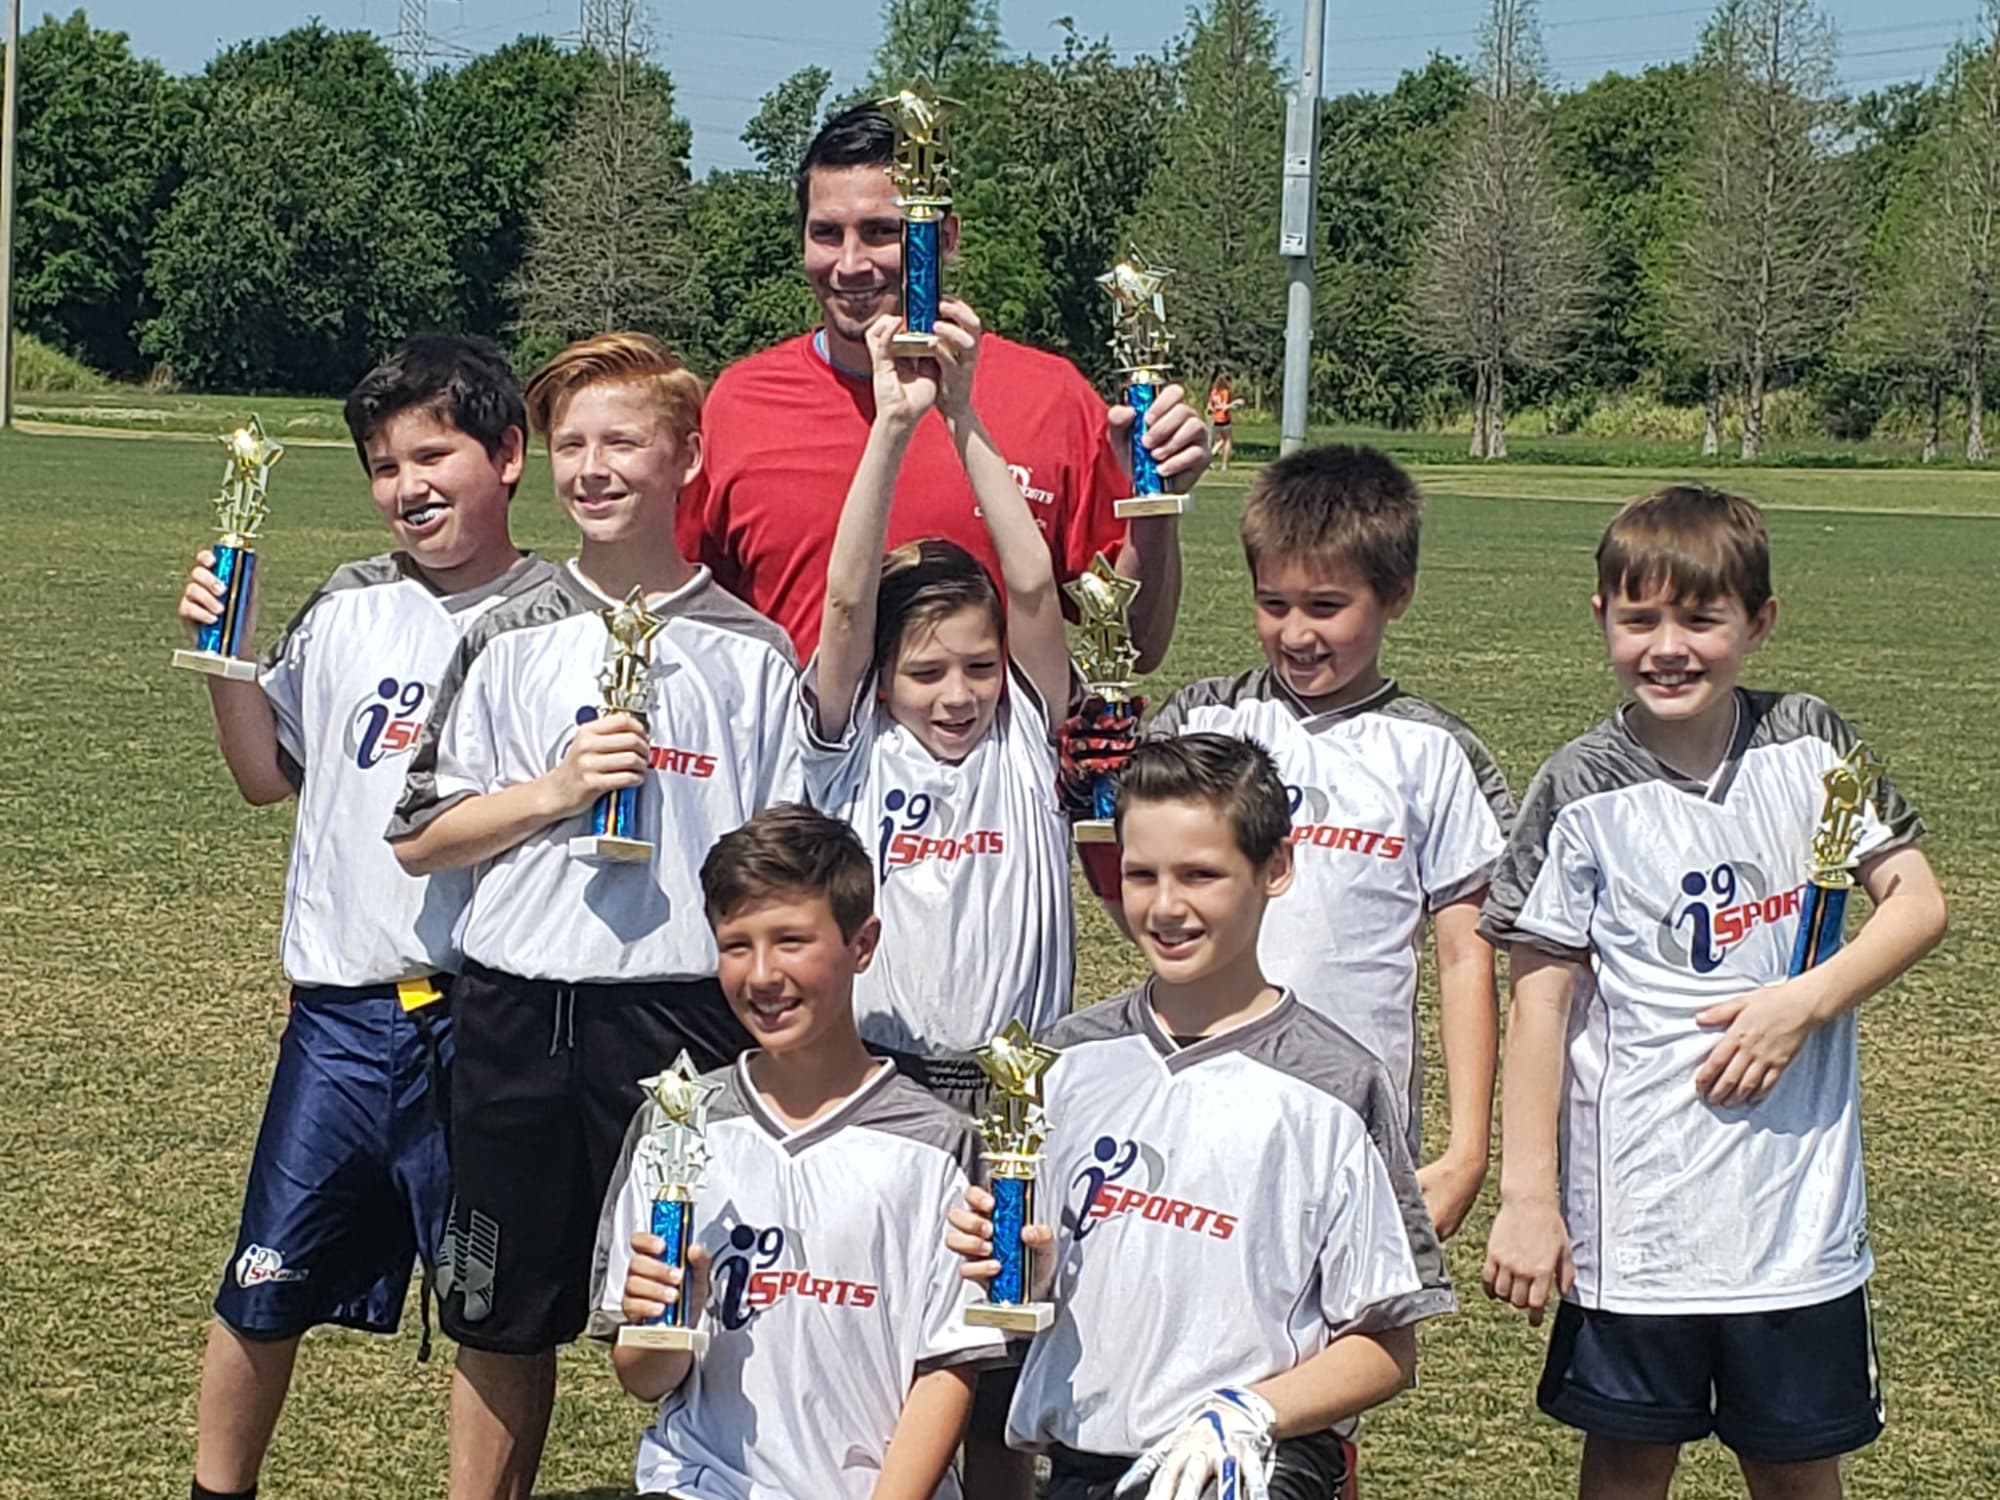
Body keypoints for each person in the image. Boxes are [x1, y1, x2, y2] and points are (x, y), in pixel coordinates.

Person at [386, 334, 803, 1500]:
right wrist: (557, 792)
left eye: (621, 440)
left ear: (686, 456)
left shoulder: (751, 652)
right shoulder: (504, 632)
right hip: (517, 1013)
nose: (591, 467)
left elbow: (778, 861)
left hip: (681, 1028)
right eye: (569, 444)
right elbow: (421, 833)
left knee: (687, 1311)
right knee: (498, 1314)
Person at [1479, 486, 1948, 1500]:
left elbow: (1914, 903)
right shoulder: (1579, 788)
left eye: (1700, 619)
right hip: (1635, 1223)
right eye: (1639, 617)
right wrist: (1525, 1198)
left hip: (1794, 1229)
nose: (1667, 647)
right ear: (1600, 615)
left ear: (1757, 623)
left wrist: (1803, 1002)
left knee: (1793, 1473)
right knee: (1623, 1465)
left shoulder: (1807, 741)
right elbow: (1538, 1005)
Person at [176, 334, 554, 1500]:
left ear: (506, 454)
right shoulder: (347, 602)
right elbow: (263, 776)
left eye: (433, 455)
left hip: (486, 1015)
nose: (409, 488)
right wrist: (225, 658)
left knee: (493, 1309)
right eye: (385, 468)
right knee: (261, 1282)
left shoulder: (563, 619)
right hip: (338, 1022)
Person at [951, 734, 1456, 1500]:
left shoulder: (1335, 1084)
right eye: (1142, 875)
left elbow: (1389, 1347)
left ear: (1276, 868)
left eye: (1201, 875)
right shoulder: (1060, 1062)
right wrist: (1030, 1276)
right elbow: (1020, 1301)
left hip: (1252, 1467)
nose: (1165, 906)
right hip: (1084, 1469)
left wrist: (1248, 1412)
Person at [1071, 445, 1512, 1242]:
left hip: (1349, 1109)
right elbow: (1134, 895)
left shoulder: (1434, 752)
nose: (1296, 633)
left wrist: (1469, 1149)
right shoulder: (1204, 722)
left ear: (1396, 596)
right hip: (1194, 1089)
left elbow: (1462, 954)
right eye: (1273, 604)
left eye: (1325, 606)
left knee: (1345, 1342)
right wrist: (1091, 798)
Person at [680, 103, 1210, 671]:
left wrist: (1157, 503)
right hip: (801, 756)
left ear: (945, 237)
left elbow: (1135, 647)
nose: (851, 264)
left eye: (883, 232)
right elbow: (686, 626)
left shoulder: (1049, 399)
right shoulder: (739, 405)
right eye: (827, 234)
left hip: (985, 757)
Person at [592, 803, 1008, 1498]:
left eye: (791, 941)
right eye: (736, 945)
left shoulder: (936, 1143)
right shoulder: (677, 1122)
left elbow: (947, 1368)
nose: (761, 975)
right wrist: (661, 1326)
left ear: (862, 943)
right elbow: (642, 1378)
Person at [805, 300, 1075, 1090]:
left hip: (1016, 1082)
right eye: (926, 674)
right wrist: (892, 428)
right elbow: (849, 603)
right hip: (876, 1075)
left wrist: (962, 415)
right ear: (881, 682)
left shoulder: (1021, 734)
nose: (959, 696)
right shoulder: (853, 752)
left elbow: (1030, 584)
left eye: (979, 667)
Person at [1207, 374, 1239, 470]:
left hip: (1215, 420)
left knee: (1219, 440)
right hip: (1224, 419)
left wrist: (1212, 410)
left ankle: (1210, 458)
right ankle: (1224, 465)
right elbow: (1224, 407)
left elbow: (1209, 406)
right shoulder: (1225, 392)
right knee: (1227, 441)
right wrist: (1233, 404)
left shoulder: (1213, 392)